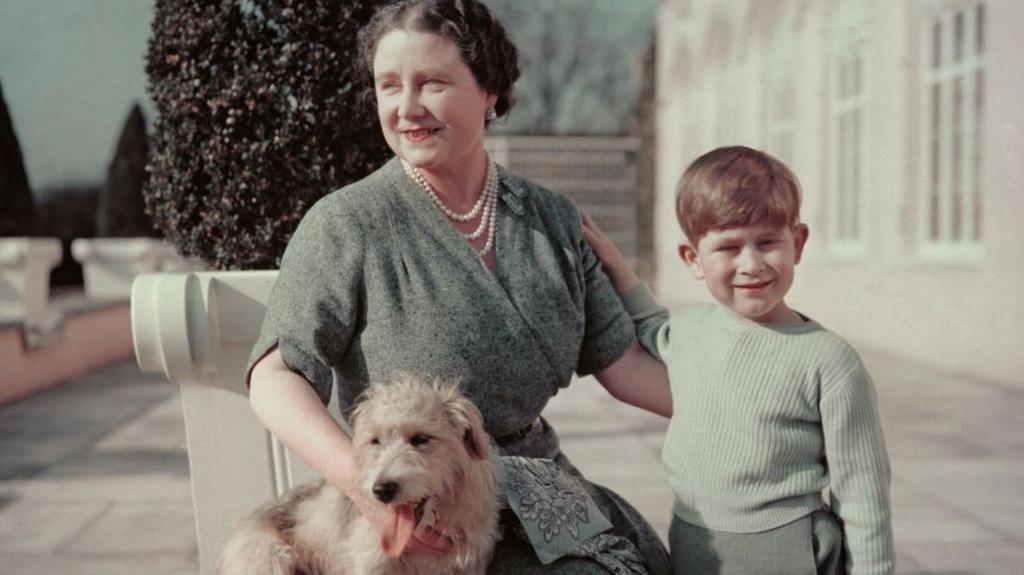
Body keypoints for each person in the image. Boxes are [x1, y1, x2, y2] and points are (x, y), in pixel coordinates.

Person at [245, 0, 671, 573]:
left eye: (433, 83)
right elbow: (276, 376)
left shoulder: (552, 222)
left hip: (536, 493)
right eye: (388, 86)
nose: (407, 107)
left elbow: (629, 370)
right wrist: (364, 486)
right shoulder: (348, 223)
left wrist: (769, 402)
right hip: (410, 506)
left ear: (489, 91)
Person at [583, 146, 894, 574]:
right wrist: (616, 264)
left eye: (767, 243)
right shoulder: (690, 331)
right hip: (697, 542)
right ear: (693, 259)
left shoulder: (831, 363)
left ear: (798, 243)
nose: (751, 264)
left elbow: (863, 494)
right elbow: (649, 324)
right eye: (729, 248)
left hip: (791, 552)